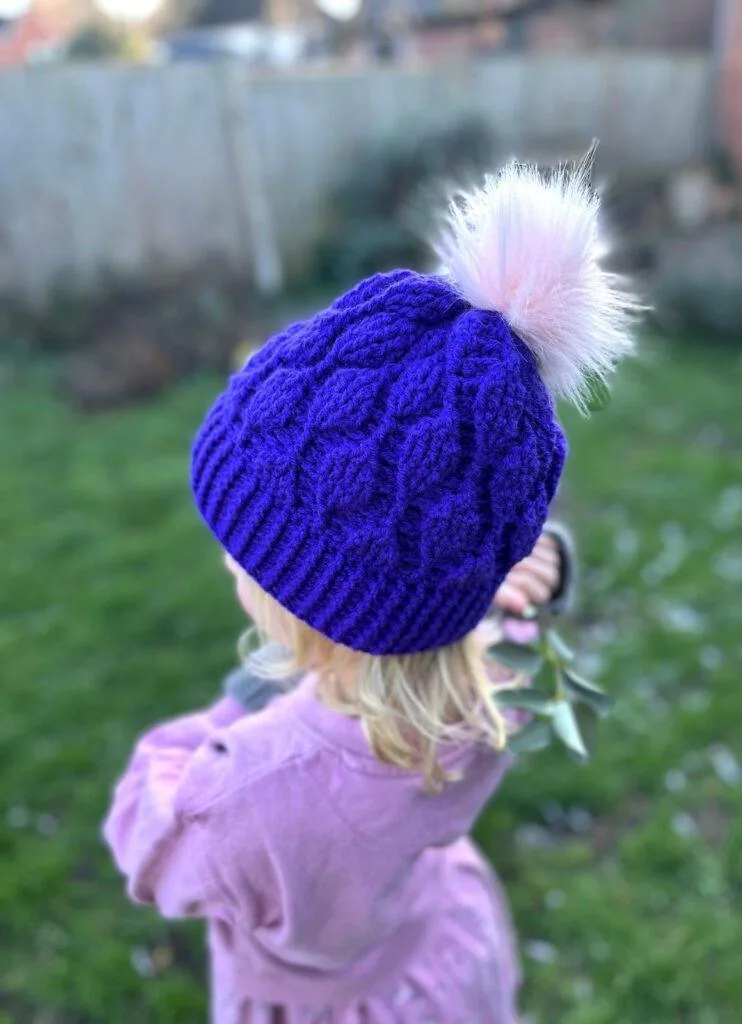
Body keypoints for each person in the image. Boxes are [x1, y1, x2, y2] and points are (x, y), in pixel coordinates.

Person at [104, 154, 636, 1023]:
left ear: (331, 613)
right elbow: (512, 623)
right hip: (445, 960)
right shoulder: (481, 691)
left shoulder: (250, 793)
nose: (231, 565)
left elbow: (148, 843)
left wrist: (239, 706)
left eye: (250, 554)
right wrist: (545, 572)